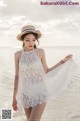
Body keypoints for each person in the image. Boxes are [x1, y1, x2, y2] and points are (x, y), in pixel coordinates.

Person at [12, 25, 73, 121]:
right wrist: (14, 98)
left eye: (33, 39)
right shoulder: (17, 55)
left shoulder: (40, 52)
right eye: (27, 40)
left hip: (40, 92)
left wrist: (62, 62)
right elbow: (17, 76)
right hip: (25, 94)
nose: (31, 42)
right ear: (23, 41)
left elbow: (46, 71)